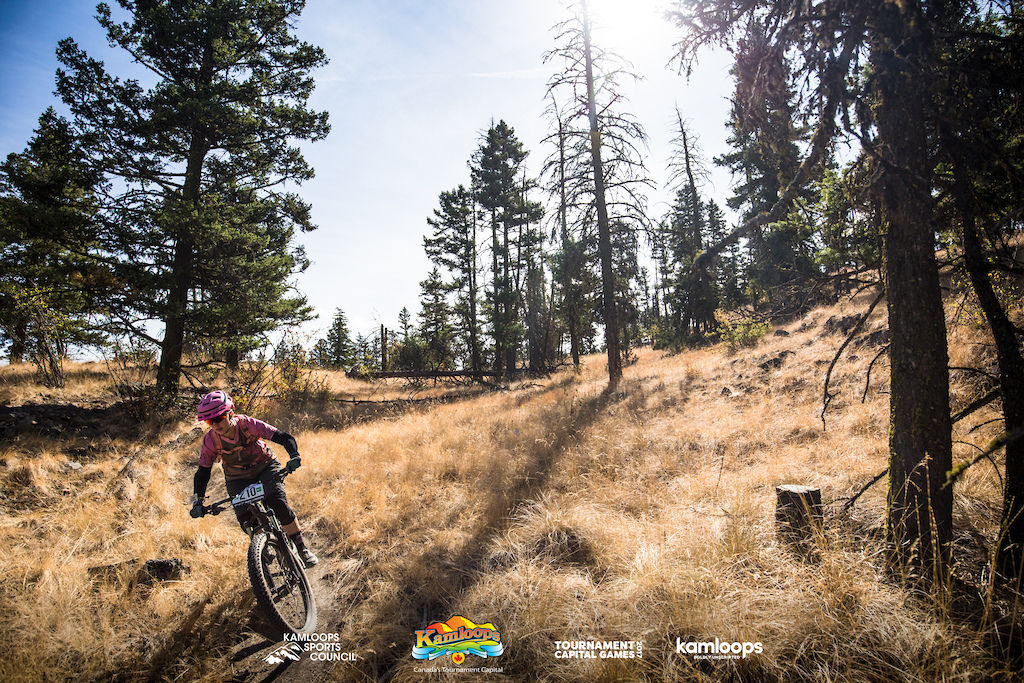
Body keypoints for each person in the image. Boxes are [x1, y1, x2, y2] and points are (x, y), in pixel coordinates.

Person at [189, 390, 318, 567]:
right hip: (237, 477)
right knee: (245, 518)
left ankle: (301, 547)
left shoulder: (247, 424)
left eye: (218, 419)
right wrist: (198, 501)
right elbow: (203, 472)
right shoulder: (210, 441)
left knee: (277, 502)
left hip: (265, 467)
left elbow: (282, 437)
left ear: (230, 414)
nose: (215, 425)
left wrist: (294, 456)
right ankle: (264, 547)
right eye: (210, 421)